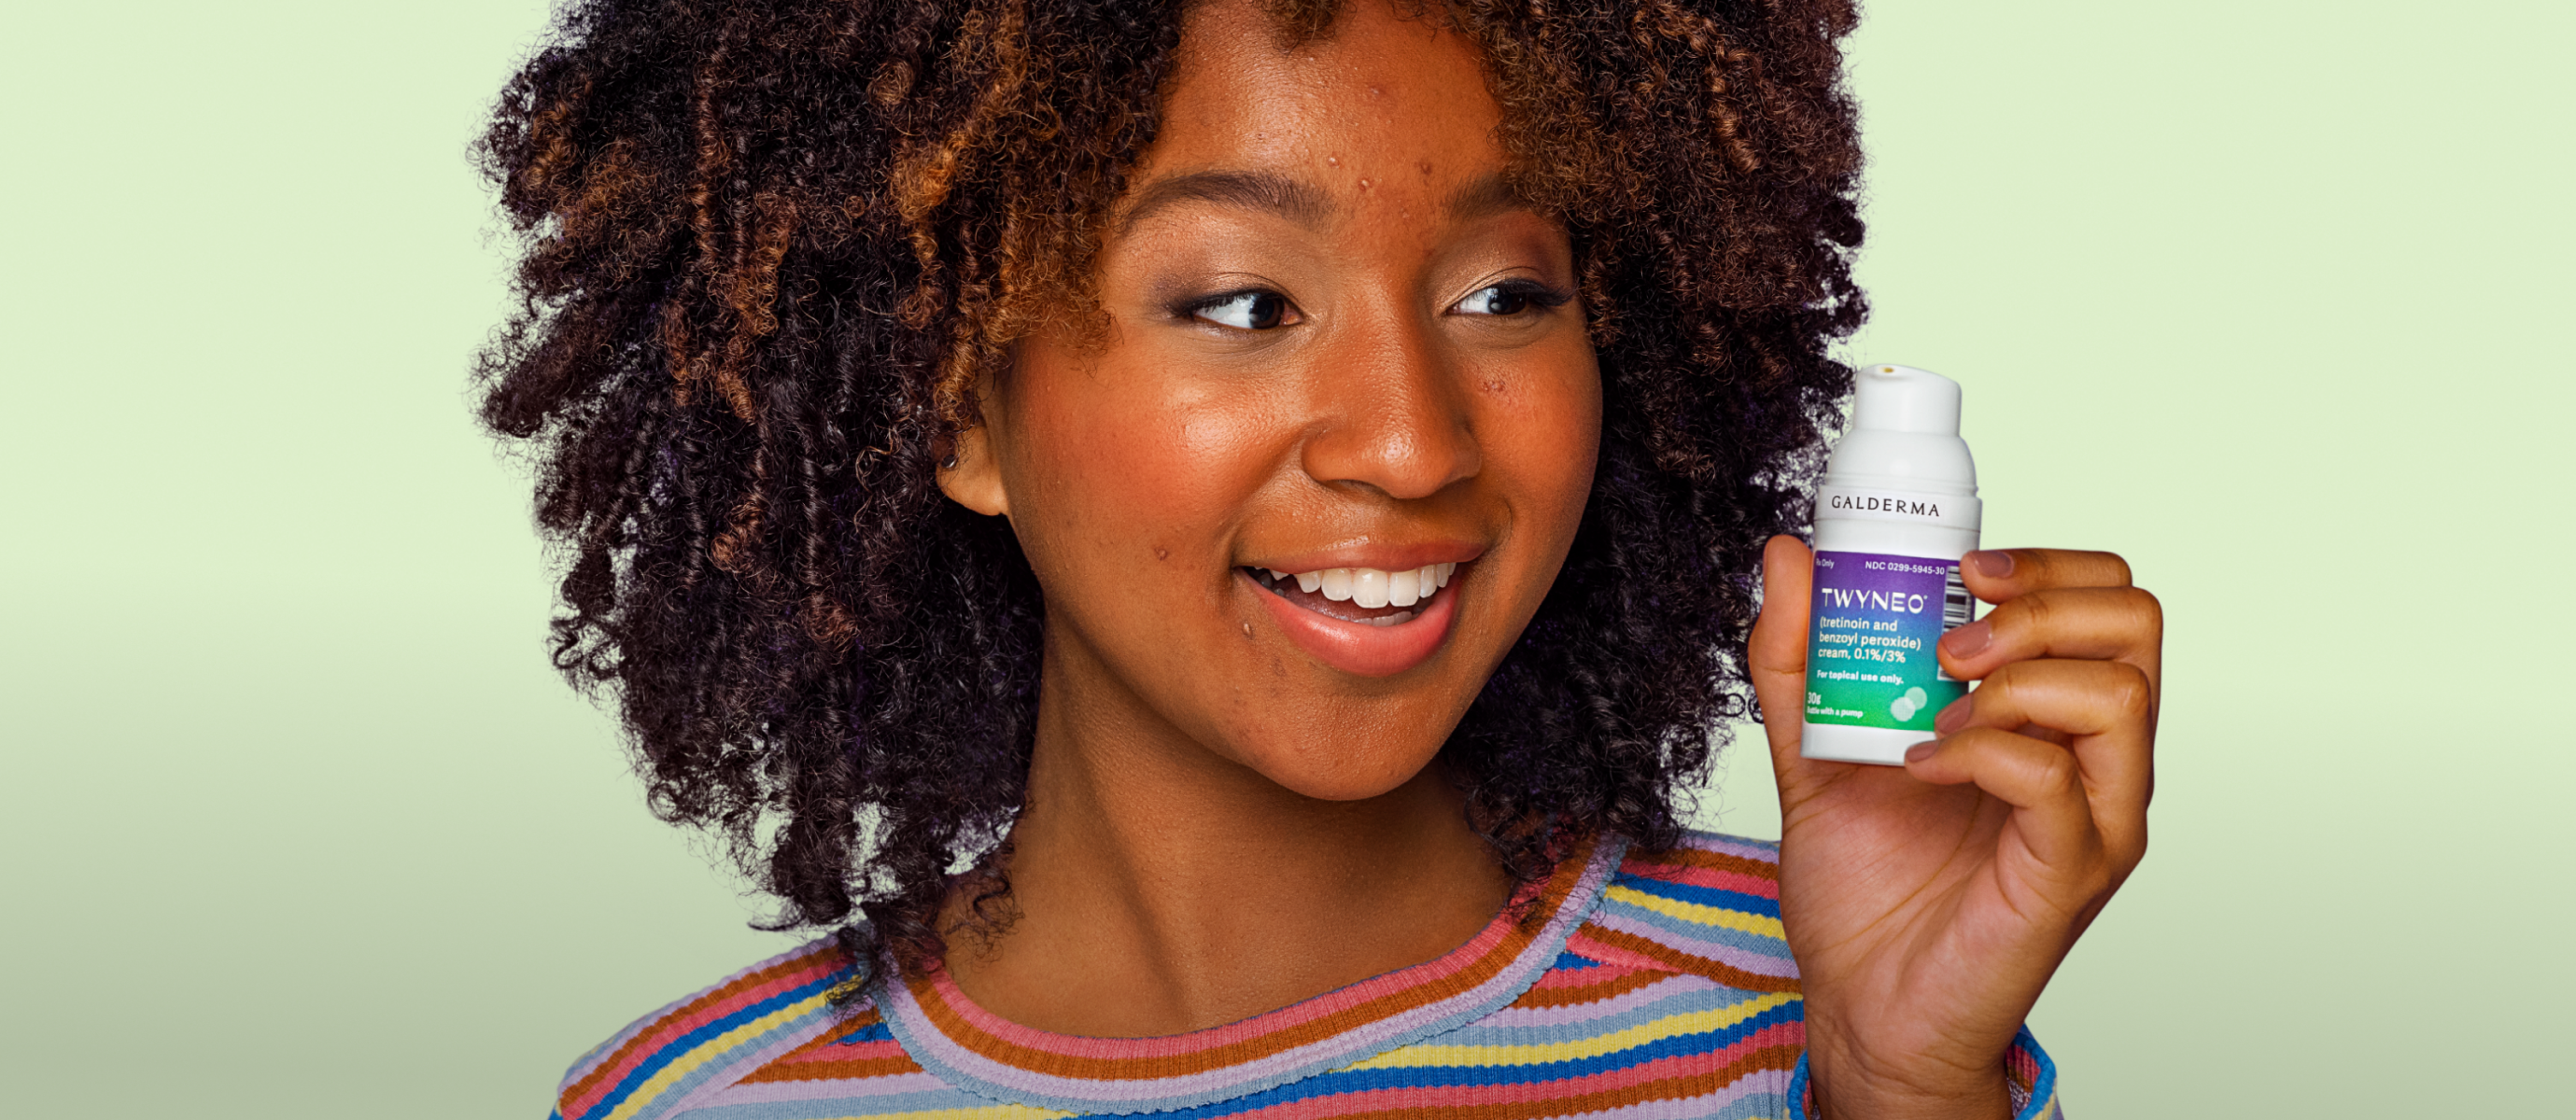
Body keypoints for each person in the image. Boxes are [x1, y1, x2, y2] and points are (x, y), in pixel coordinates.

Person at [475, 1, 2161, 1117]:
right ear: (954, 408)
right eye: (1243, 305)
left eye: (1505, 295)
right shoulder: (686, 1107)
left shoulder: (1809, 1020)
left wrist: (1898, 1085)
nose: (1414, 440)